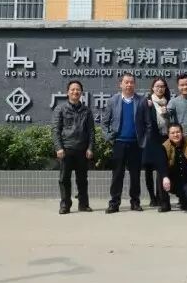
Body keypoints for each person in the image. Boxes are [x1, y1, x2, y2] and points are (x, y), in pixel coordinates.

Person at [103, 72, 148, 213]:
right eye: (126, 82)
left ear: (134, 84)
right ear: (120, 84)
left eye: (131, 82)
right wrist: (108, 137)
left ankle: (135, 202)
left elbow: (148, 124)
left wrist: (144, 140)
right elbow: (105, 122)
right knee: (117, 175)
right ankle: (114, 203)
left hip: (136, 144)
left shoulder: (141, 101)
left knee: (135, 175)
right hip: (119, 143)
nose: (129, 85)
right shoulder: (113, 101)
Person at [52, 80, 95, 214]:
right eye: (72, 89)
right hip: (66, 149)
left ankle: (83, 204)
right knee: (64, 179)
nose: (75, 92)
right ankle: (65, 205)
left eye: (78, 90)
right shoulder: (60, 109)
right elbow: (55, 130)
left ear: (81, 92)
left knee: (82, 179)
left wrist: (90, 148)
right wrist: (59, 147)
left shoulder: (86, 111)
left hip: (82, 150)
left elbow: (91, 132)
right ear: (68, 92)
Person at [141, 77, 173, 207]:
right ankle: (152, 197)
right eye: (157, 86)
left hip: (164, 138)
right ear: (153, 88)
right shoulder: (147, 102)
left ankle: (161, 196)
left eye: (162, 86)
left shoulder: (169, 102)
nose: (160, 88)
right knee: (149, 169)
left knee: (162, 167)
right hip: (150, 139)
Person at [159, 123, 187, 213]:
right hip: (172, 182)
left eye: (178, 132)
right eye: (172, 133)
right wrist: (165, 177)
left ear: (182, 132)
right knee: (161, 174)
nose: (176, 135)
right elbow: (161, 164)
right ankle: (165, 203)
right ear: (168, 135)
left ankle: (184, 200)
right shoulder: (164, 146)